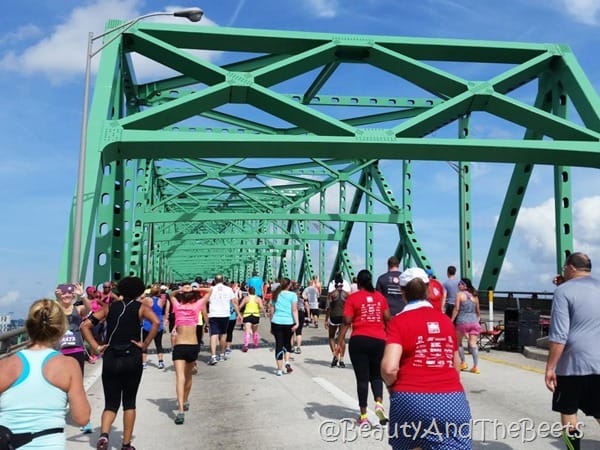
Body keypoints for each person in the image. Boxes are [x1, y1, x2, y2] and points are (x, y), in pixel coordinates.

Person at [381, 267, 472, 450]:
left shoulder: (398, 322)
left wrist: (392, 388)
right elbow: (455, 367)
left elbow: (389, 369)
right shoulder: (446, 322)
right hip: (452, 401)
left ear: (402, 292)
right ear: (429, 289)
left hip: (410, 400)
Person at [80, 276, 160, 450]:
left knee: (111, 402)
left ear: (121, 290)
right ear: (139, 291)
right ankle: (126, 444)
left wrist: (96, 347)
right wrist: (145, 344)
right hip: (132, 356)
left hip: (111, 356)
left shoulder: (109, 308)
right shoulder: (141, 308)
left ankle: (104, 435)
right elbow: (157, 322)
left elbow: (85, 325)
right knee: (129, 402)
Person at [0, 299, 90, 449]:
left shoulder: (6, 365)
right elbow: (82, 418)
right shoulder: (68, 365)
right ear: (61, 329)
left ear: (28, 327)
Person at [545, 252, 600, 450]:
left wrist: (550, 367)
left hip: (572, 365)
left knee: (568, 413)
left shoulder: (563, 292)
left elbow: (560, 335)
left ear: (570, 267)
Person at [337, 269, 391, 426]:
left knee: (362, 379)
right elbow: (387, 318)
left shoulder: (353, 298)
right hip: (379, 340)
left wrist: (340, 342)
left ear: (358, 283)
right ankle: (379, 404)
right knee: (376, 376)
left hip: (359, 340)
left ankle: (363, 416)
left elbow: (347, 321)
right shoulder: (380, 297)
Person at [55, 282, 94, 433]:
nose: (66, 295)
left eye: (69, 293)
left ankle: (85, 420)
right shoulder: (56, 309)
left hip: (76, 350)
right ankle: (58, 415)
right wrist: (56, 298)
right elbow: (46, 313)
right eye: (63, 293)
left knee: (78, 385)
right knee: (59, 385)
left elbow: (89, 309)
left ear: (73, 295)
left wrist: (82, 295)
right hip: (59, 351)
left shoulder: (77, 309)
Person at [168, 282, 209, 425]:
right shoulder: (196, 306)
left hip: (179, 345)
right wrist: (194, 288)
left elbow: (169, 294)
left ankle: (180, 410)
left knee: (180, 377)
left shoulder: (177, 307)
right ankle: (185, 400)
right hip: (192, 345)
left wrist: (180, 290)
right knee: (188, 376)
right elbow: (210, 291)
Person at [206, 275, 239, 365]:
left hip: (214, 314)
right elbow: (234, 302)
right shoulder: (228, 289)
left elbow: (207, 301)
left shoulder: (211, 289)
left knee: (214, 335)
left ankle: (213, 356)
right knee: (223, 334)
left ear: (215, 281)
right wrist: (239, 314)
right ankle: (221, 354)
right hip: (225, 314)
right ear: (223, 280)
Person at [451, 277, 481, 374]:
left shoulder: (460, 295)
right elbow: (478, 311)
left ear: (465, 286)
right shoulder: (475, 296)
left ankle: (463, 362)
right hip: (474, 322)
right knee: (473, 344)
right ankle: (476, 366)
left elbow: (456, 308)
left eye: (460, 283)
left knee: (458, 343)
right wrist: (477, 319)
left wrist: (451, 320)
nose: (458, 285)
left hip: (462, 322)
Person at [270, 277, 299, 376]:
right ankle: (287, 362)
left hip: (276, 322)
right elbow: (294, 310)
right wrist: (297, 323)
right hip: (288, 322)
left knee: (279, 344)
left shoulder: (275, 294)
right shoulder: (293, 295)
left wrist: (271, 323)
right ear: (289, 285)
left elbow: (272, 311)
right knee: (287, 343)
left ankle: (279, 369)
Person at [141, 284, 167, 369]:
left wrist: (145, 295)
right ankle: (160, 362)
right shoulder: (161, 301)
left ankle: (144, 362)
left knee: (145, 343)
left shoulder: (147, 300)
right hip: (158, 324)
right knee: (158, 344)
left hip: (148, 324)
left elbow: (140, 302)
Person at [325, 278, 348, 368]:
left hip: (333, 317)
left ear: (334, 284)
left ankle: (335, 355)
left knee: (331, 337)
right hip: (343, 318)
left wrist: (326, 319)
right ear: (342, 284)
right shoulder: (347, 294)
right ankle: (342, 360)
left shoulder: (331, 294)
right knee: (341, 338)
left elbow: (328, 308)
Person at [239, 287, 264, 352]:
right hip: (255, 315)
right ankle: (255, 344)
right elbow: (261, 306)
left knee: (247, 331)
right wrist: (264, 313)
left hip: (247, 315)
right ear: (255, 292)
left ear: (248, 292)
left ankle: (246, 345)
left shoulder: (246, 298)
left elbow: (240, 306)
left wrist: (238, 313)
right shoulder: (258, 298)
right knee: (254, 331)